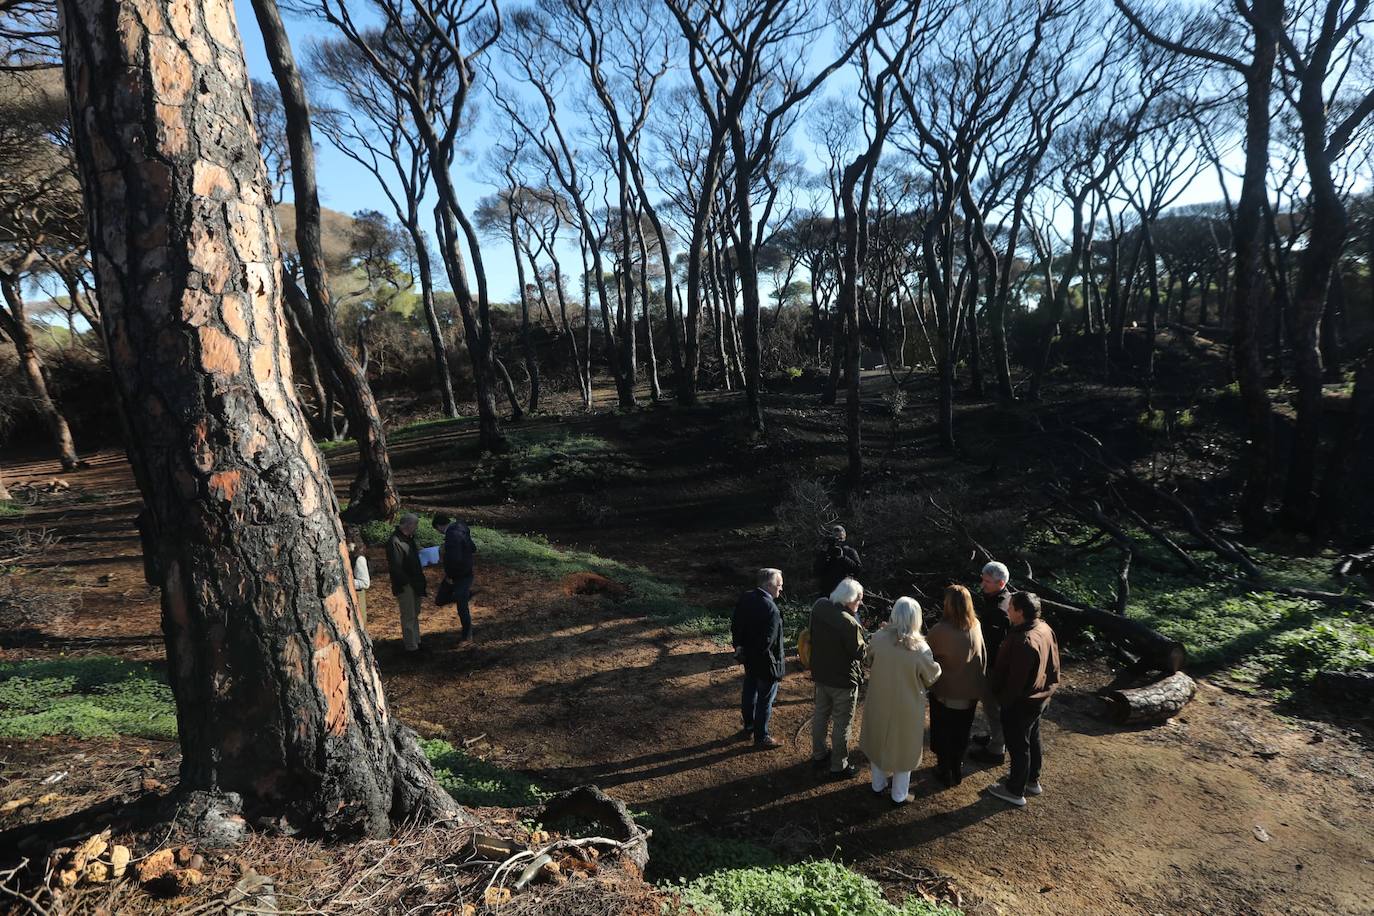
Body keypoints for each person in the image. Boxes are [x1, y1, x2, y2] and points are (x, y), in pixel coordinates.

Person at [859, 597, 942, 805]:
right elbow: (931, 676)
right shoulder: (920, 648)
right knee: (904, 748)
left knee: (878, 739)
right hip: (907, 706)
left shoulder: (879, 638)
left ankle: (877, 785)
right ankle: (899, 795)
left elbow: (868, 659)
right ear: (917, 618)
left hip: (879, 699)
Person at [986, 592, 1061, 807]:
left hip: (1022, 702)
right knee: (1032, 738)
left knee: (1019, 745)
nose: (1007, 610)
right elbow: (1054, 663)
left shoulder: (1023, 641)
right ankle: (1031, 779)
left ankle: (1014, 790)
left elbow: (1015, 681)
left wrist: (1003, 700)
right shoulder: (1044, 628)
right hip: (1040, 697)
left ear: (1020, 612)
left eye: (1010, 607)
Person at [927, 585, 987, 786]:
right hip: (970, 693)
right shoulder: (976, 625)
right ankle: (957, 766)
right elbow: (983, 656)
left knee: (943, 732)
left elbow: (926, 658)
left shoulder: (939, 631)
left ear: (948, 605)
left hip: (945, 692)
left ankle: (944, 769)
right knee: (962, 731)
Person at [808, 577, 867, 778]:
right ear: (849, 598)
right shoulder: (849, 623)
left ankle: (818, 754)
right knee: (842, 723)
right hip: (843, 681)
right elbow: (861, 654)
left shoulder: (819, 607)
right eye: (858, 600)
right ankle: (839, 766)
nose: (859, 604)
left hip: (821, 674)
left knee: (821, 715)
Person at [731, 568, 786, 749]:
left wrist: (739, 647)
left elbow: (736, 624)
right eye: (779, 585)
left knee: (750, 690)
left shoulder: (746, 597)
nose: (781, 589)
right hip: (766, 662)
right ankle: (761, 736)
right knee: (765, 700)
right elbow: (769, 641)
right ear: (768, 585)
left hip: (748, 657)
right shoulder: (771, 608)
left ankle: (749, 725)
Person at [970, 560, 1013, 765]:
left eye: (987, 581)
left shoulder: (999, 609)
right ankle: (994, 737)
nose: (982, 584)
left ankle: (996, 749)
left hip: (994, 666)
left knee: (992, 706)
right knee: (991, 706)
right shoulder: (1002, 599)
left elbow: (994, 645)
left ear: (1001, 583)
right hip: (996, 664)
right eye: (983, 579)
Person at [387, 514, 427, 653]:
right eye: (415, 525)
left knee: (415, 613)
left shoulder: (409, 540)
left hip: (415, 582)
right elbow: (396, 567)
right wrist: (405, 583)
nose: (416, 528)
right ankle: (411, 647)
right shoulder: (395, 541)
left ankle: (417, 641)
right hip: (406, 584)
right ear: (407, 525)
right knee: (408, 615)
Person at [433, 512, 477, 641]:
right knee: (448, 600)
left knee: (460, 606)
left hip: (458, 574)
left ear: (439, 526)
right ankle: (464, 595)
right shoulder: (462, 529)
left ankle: (467, 634)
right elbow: (473, 548)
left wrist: (450, 576)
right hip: (466, 571)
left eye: (437, 530)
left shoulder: (451, 535)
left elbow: (455, 558)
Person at [812, 525, 863, 597]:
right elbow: (816, 571)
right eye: (835, 538)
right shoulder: (825, 552)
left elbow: (858, 570)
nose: (838, 541)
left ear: (844, 538)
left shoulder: (849, 551)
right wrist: (824, 553)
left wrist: (843, 558)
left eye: (840, 538)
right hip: (828, 592)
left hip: (845, 592)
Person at [346, 526, 371, 629]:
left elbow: (365, 583)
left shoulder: (359, 558)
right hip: (350, 598)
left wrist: (345, 582)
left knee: (359, 628)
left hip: (357, 599)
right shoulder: (350, 555)